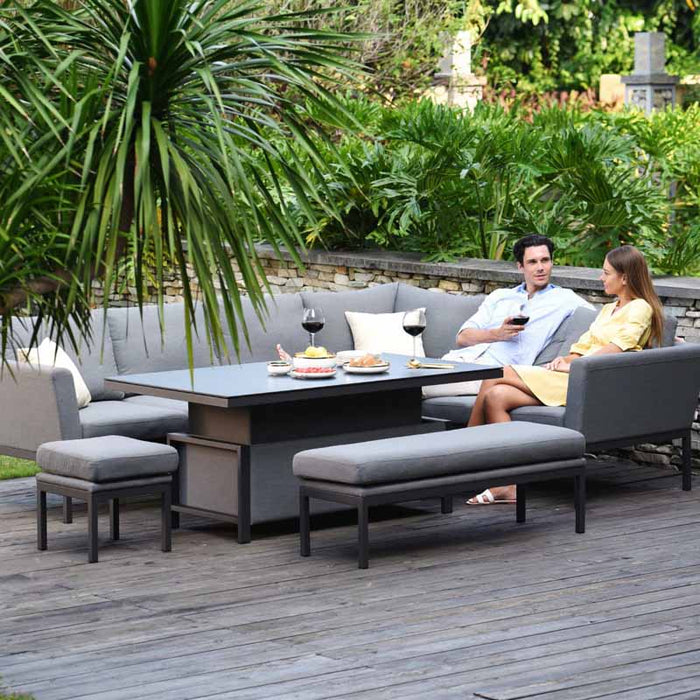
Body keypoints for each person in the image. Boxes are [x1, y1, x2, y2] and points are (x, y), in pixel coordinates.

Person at [467, 244, 664, 505]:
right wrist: (567, 359)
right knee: (496, 396)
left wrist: (574, 366)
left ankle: (462, 454)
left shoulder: (639, 308)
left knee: (499, 372)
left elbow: (616, 349)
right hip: (575, 374)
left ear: (624, 277)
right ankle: (509, 484)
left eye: (606, 273)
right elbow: (582, 347)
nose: (601, 278)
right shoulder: (608, 309)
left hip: (592, 382)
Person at [424, 234, 593, 398]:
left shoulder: (565, 298)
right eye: (532, 262)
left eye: (545, 260)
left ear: (551, 262)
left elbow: (603, 319)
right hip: (459, 360)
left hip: (497, 372)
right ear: (520, 266)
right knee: (406, 377)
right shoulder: (500, 295)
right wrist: (497, 334)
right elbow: (462, 337)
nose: (540, 267)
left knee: (414, 387)